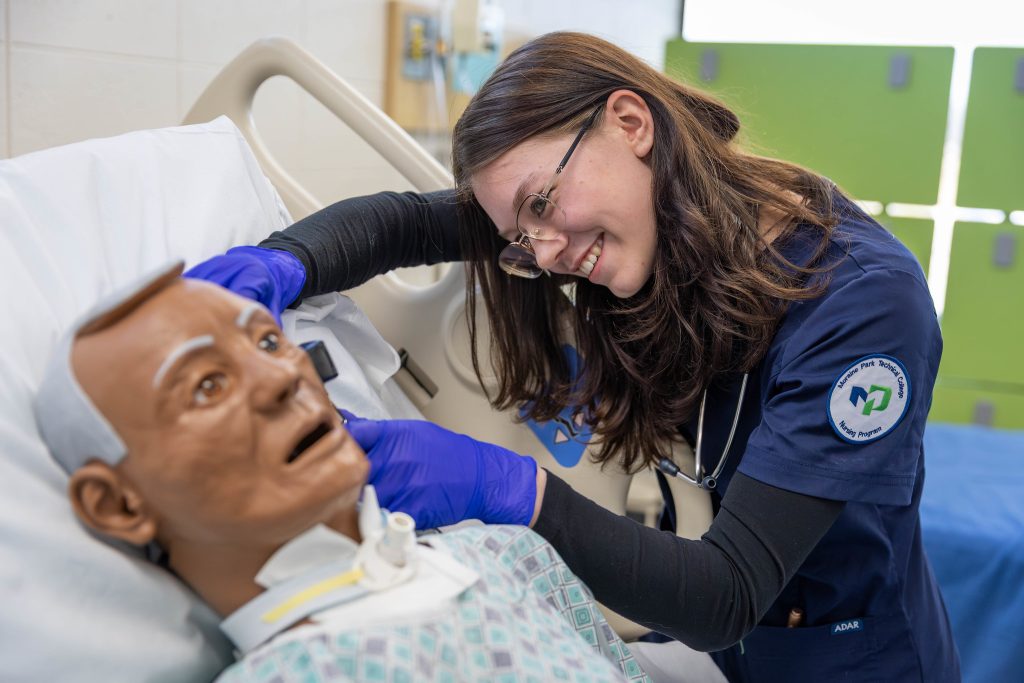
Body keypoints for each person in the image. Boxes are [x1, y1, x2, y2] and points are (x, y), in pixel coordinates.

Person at [188, 32, 961, 681]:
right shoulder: (615, 223)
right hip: (732, 649)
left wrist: (509, 490)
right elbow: (403, 225)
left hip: (847, 650)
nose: (546, 254)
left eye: (541, 206)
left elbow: (726, 589)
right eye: (520, 238)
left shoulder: (862, 308)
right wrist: (283, 262)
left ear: (630, 122)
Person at [31, 263, 651, 683]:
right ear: (118, 506)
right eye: (207, 386)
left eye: (269, 343)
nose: (284, 377)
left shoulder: (507, 550)